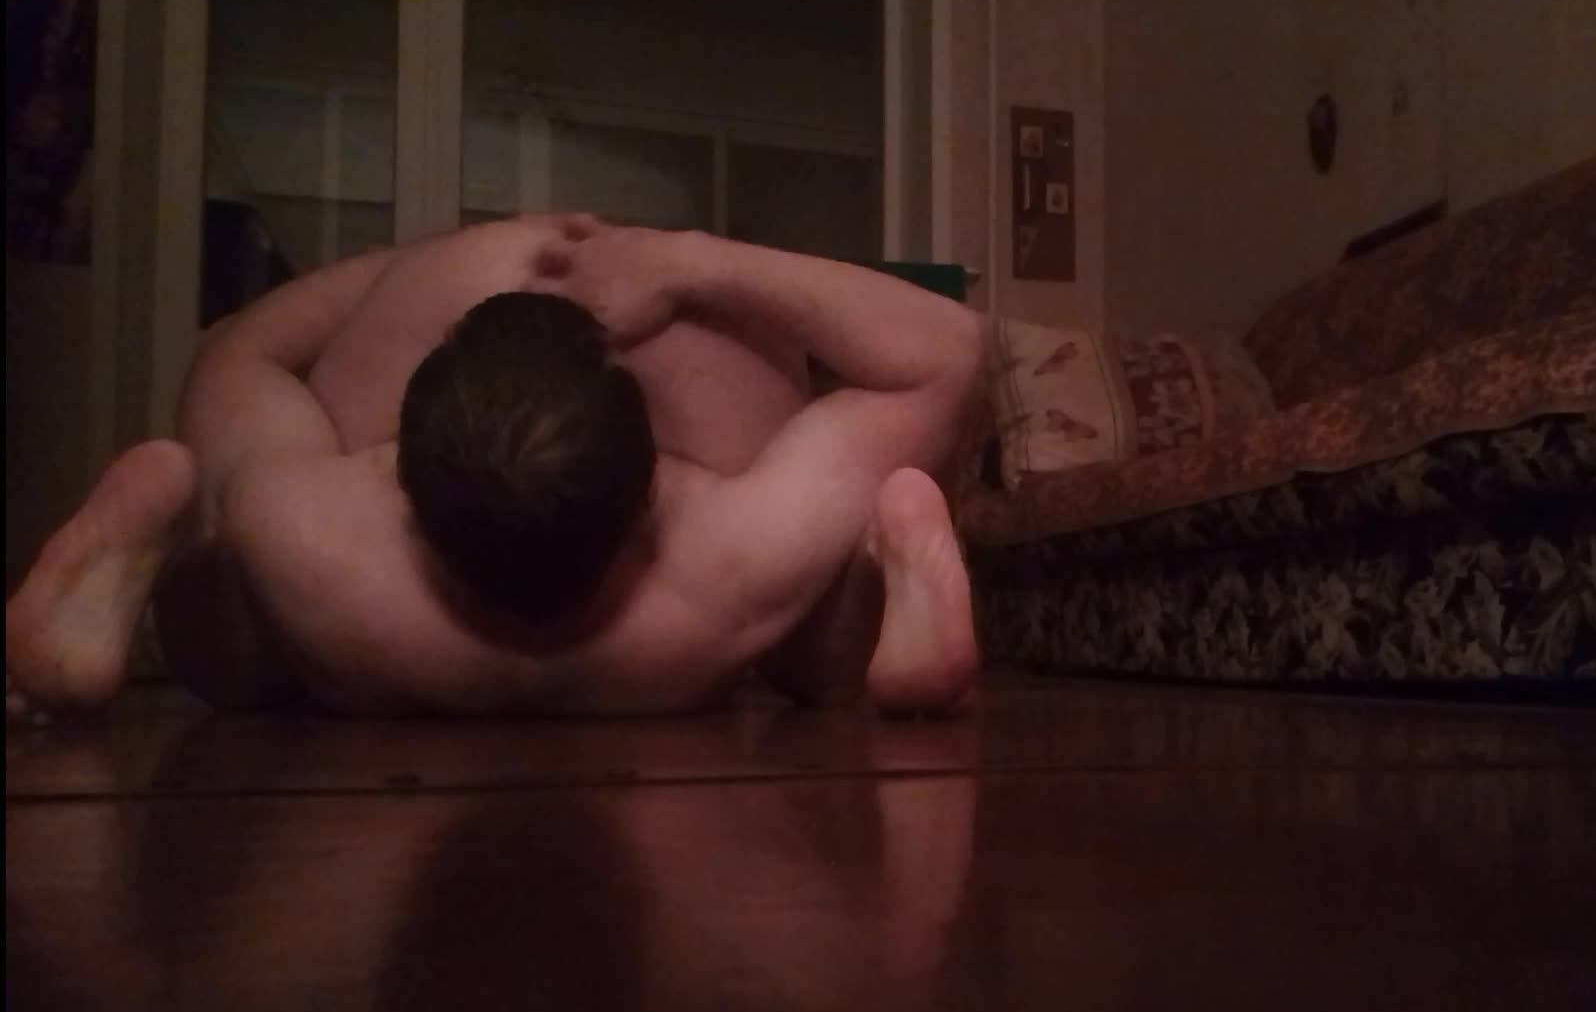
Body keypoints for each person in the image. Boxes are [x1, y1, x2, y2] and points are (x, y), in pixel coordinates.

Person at [5, 214, 985, 717]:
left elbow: (235, 357)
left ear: (395, 478)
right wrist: (690, 261)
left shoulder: (306, 529)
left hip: (352, 645)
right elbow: (946, 351)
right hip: (686, 654)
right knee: (813, 644)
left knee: (238, 641)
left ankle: (157, 569)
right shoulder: (724, 564)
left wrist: (392, 276)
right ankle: (872, 615)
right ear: (656, 490)